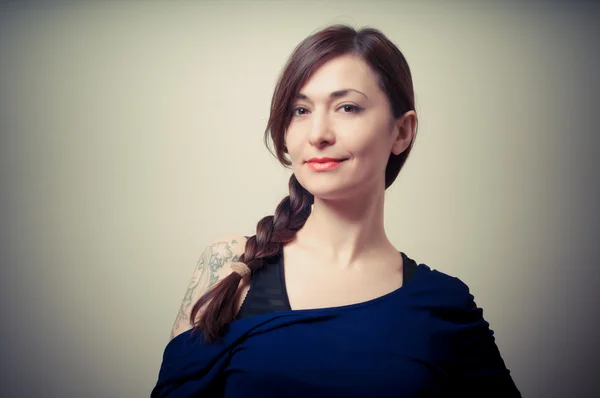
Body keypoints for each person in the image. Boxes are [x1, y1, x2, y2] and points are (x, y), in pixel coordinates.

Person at [151, 24, 522, 397]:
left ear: (402, 131)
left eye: (347, 107)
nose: (319, 133)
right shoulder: (230, 266)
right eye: (300, 110)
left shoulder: (445, 304)